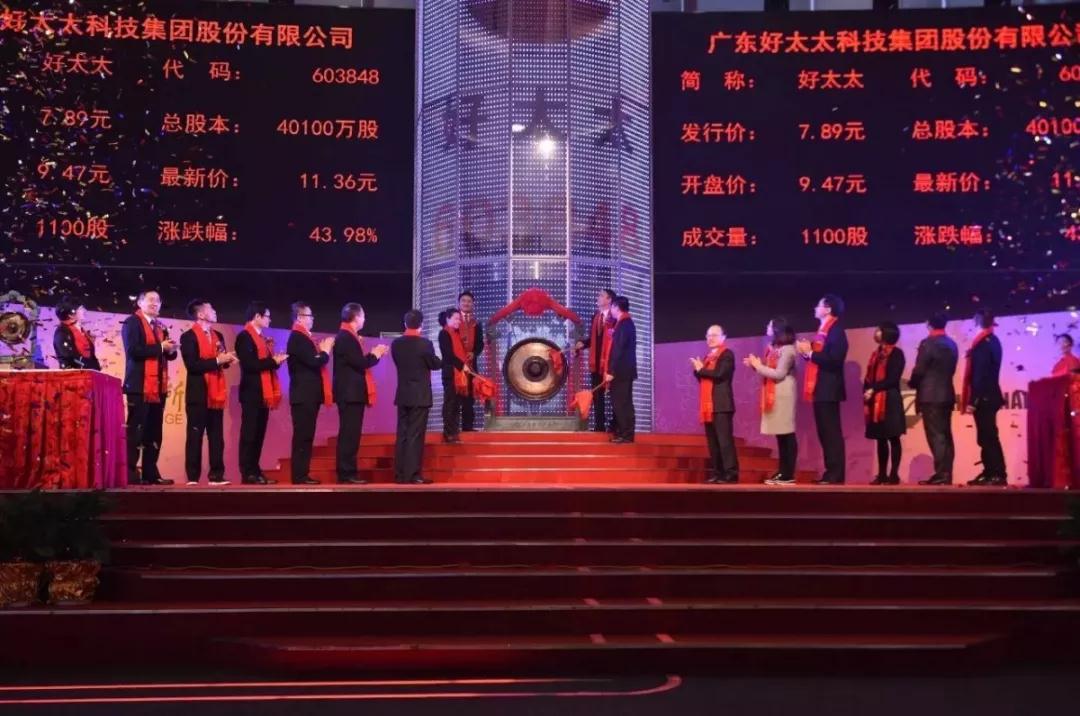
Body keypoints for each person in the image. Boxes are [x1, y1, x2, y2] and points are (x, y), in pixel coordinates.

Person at [121, 290, 178, 485]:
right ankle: (129, 473)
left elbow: (166, 354)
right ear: (140, 303)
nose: (155, 303)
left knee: (154, 432)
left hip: (158, 387)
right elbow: (133, 351)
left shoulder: (160, 326)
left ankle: (151, 473)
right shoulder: (132, 322)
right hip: (139, 386)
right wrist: (161, 347)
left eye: (158, 300)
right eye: (150, 300)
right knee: (135, 431)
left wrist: (170, 350)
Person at [179, 299, 236, 486]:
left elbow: (222, 362)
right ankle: (192, 477)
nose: (214, 311)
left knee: (216, 436)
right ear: (201, 314)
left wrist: (227, 360)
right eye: (211, 308)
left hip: (216, 393)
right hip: (198, 393)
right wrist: (218, 361)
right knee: (195, 436)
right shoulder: (188, 337)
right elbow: (193, 365)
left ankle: (217, 475)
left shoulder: (218, 335)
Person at [796, 294, 849, 485]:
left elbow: (835, 359)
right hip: (820, 387)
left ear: (827, 309)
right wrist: (806, 352)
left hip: (829, 388)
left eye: (818, 305)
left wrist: (810, 353)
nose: (815, 308)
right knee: (824, 432)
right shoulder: (822, 331)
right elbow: (819, 356)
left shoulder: (836, 330)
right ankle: (830, 472)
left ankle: (836, 474)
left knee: (831, 432)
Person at [333, 302, 388, 484]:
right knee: (349, 435)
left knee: (351, 434)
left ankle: (348, 472)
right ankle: (346, 473)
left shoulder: (349, 336)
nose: (365, 319)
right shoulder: (346, 337)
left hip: (351, 394)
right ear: (356, 317)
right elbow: (360, 363)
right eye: (363, 316)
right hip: (350, 394)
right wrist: (375, 354)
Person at [235, 301, 287, 485]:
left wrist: (275, 361)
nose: (269, 320)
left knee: (259, 434)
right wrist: (273, 362)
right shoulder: (244, 337)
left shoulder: (261, 338)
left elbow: (264, 363)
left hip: (263, 393)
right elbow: (249, 365)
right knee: (249, 435)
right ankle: (247, 472)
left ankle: (256, 470)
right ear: (257, 316)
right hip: (251, 393)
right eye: (267, 316)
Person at [287, 301, 335, 486]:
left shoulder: (303, 337)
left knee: (306, 436)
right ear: (300, 318)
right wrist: (325, 352)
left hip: (308, 395)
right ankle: (299, 476)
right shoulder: (298, 338)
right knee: (303, 436)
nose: (312, 319)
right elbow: (314, 361)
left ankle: (302, 474)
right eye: (309, 316)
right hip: (303, 395)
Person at [745, 318, 798, 485]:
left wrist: (758, 366)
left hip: (784, 393)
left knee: (786, 433)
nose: (767, 327)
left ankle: (788, 473)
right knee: (780, 434)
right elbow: (771, 370)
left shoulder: (788, 350)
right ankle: (782, 471)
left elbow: (779, 374)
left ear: (777, 329)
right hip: (775, 392)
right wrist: (755, 365)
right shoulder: (776, 348)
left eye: (769, 325)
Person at [392, 309, 442, 484]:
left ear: (405, 323)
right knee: (415, 435)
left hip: (403, 394)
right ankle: (412, 475)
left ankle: (400, 474)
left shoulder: (396, 344)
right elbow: (434, 364)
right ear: (421, 324)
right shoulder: (425, 344)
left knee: (402, 434)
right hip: (419, 395)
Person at [910, 312, 959, 486]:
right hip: (947, 393)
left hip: (930, 395)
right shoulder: (952, 344)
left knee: (936, 435)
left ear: (929, 324)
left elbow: (919, 369)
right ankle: (946, 473)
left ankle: (941, 474)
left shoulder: (928, 343)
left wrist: (913, 382)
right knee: (945, 435)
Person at [963, 308, 1006, 486]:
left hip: (985, 396)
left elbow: (980, 375)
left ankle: (997, 473)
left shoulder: (983, 343)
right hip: (989, 394)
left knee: (988, 436)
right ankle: (990, 471)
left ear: (978, 322)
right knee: (986, 436)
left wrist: (974, 400)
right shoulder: (991, 340)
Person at [691, 325, 739, 484]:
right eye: (708, 335)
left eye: (714, 335)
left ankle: (731, 473)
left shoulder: (727, 354)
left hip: (721, 404)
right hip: (708, 405)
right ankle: (718, 473)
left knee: (724, 441)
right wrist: (698, 370)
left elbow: (719, 374)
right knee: (713, 442)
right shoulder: (708, 356)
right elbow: (704, 378)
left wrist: (701, 370)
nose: (710, 338)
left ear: (723, 337)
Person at [863, 322, 906, 485]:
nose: (876, 332)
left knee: (893, 437)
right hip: (875, 400)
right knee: (880, 438)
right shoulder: (876, 354)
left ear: (886, 333)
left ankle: (894, 474)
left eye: (879, 330)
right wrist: (866, 390)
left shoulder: (897, 354)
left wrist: (873, 389)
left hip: (890, 399)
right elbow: (869, 377)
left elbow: (893, 379)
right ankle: (881, 474)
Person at [575, 289, 616, 432]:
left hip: (610, 363)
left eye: (601, 296)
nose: (598, 297)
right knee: (597, 395)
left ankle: (615, 425)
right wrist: (583, 343)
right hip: (596, 363)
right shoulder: (596, 316)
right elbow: (594, 340)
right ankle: (599, 426)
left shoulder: (615, 317)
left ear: (609, 300)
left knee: (614, 395)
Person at [604, 296, 637, 444]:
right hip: (625, 371)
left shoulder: (624, 324)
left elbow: (618, 350)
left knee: (620, 403)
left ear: (617, 307)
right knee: (625, 403)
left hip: (620, 371)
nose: (611, 309)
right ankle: (626, 434)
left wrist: (611, 371)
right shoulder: (626, 323)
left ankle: (625, 434)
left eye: (612, 306)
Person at [438, 308, 469, 444]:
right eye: (456, 319)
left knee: (457, 404)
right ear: (448, 319)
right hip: (450, 372)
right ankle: (448, 433)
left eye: (459, 319)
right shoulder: (444, 333)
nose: (458, 321)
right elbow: (448, 355)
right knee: (450, 403)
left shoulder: (457, 334)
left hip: (459, 374)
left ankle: (455, 432)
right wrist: (461, 365)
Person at [456, 291, 484, 431]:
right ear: (459, 303)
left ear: (473, 304)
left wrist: (474, 353)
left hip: (471, 365)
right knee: (456, 397)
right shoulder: (454, 320)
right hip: (456, 365)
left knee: (470, 396)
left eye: (469, 301)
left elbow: (480, 343)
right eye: (463, 301)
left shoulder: (476, 323)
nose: (466, 303)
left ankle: (468, 428)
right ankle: (453, 428)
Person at [54, 299, 101, 370]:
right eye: (81, 309)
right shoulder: (62, 332)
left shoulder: (83, 332)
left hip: (88, 372)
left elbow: (91, 356)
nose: (85, 311)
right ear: (71, 315)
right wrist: (87, 366)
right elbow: (69, 357)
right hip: (73, 374)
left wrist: (96, 369)